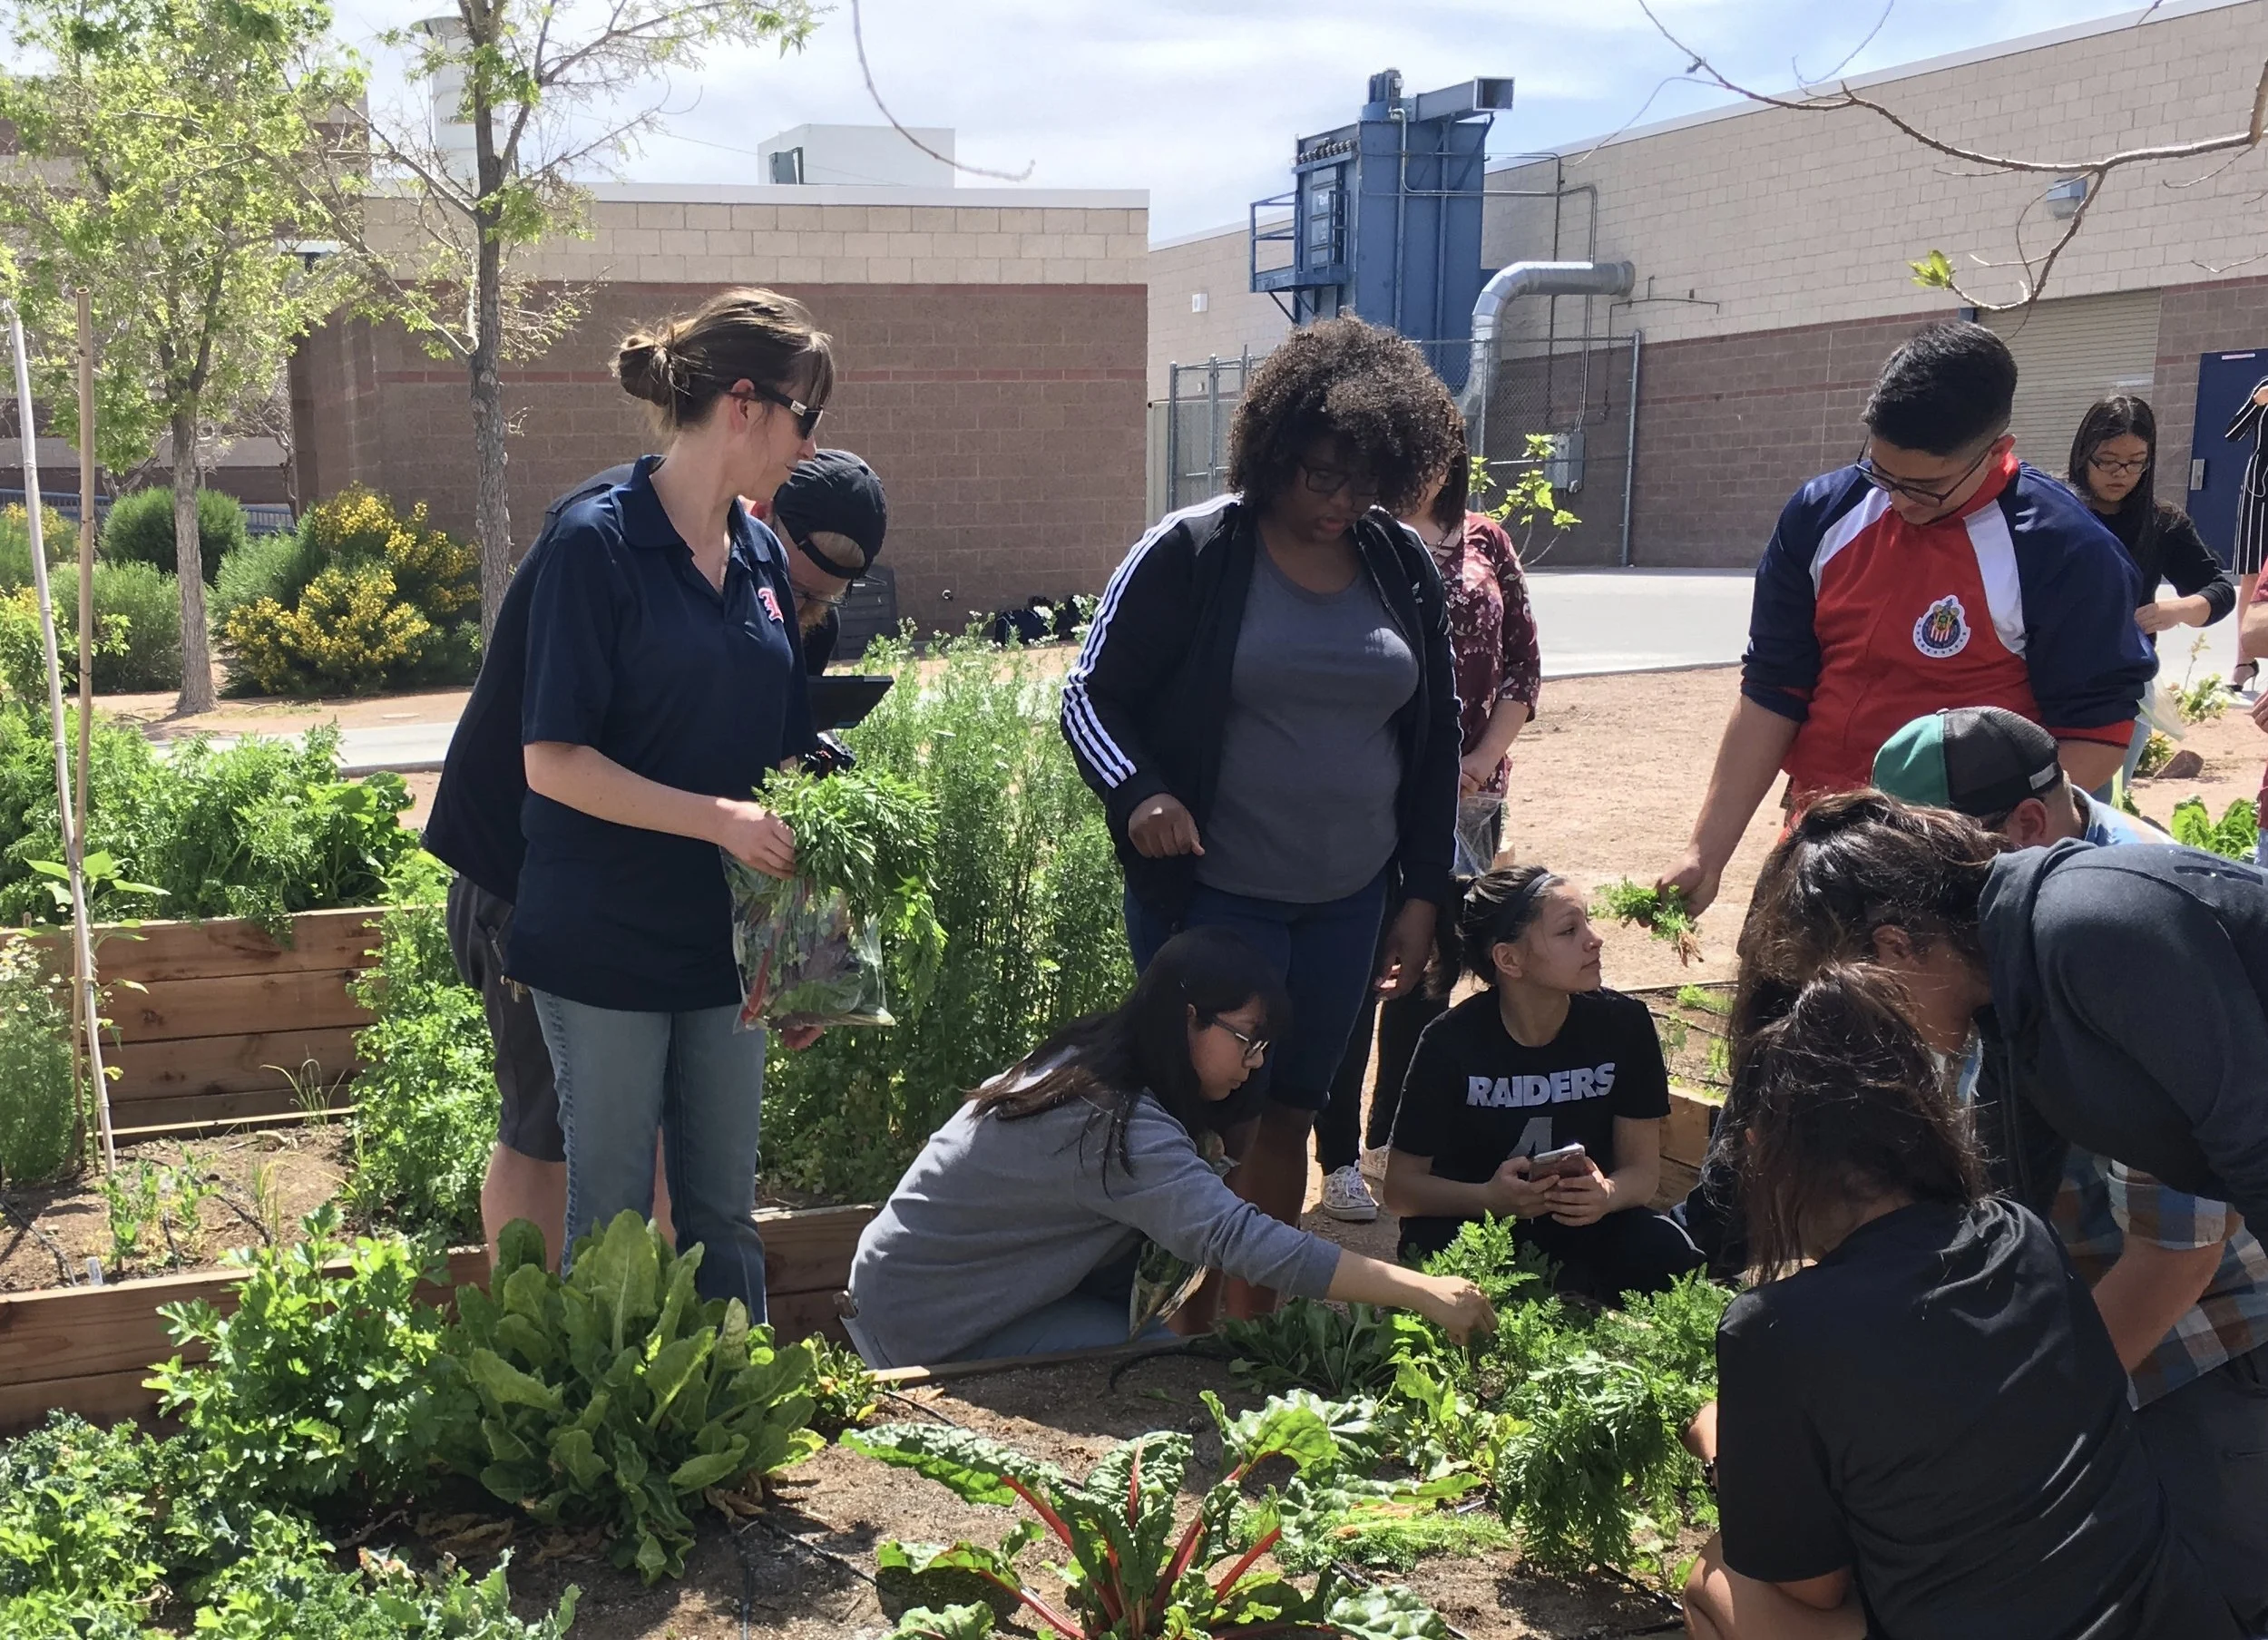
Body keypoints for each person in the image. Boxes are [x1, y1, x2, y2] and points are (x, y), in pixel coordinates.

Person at [1060, 316, 1465, 1317]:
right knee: (1208, 1117)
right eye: (1320, 475)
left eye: (1366, 480)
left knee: (1289, 1110)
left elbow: (1436, 736)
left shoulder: (1397, 565)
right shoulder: (1193, 552)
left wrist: (1421, 890)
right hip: (1214, 898)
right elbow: (1088, 697)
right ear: (1273, 451)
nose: (1340, 501)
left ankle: (1249, 1321)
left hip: (1345, 901)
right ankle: (1171, 1307)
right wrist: (1140, 790)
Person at [1679, 966, 2241, 1640]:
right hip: (2170, 1611)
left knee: (1716, 1579)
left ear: (1761, 1151)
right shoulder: (2019, 1233)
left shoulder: (1772, 1330)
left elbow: (1813, 1590)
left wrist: (1725, 1451)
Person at [1866, 705, 2268, 1626]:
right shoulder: (1983, 915)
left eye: (1926, 863)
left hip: (2205, 1338)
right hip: (2088, 1312)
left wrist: (2019, 1428)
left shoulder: (2113, 936)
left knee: (2196, 1606)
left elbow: (2178, 1256)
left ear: (2025, 827)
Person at [510, 287, 830, 1316]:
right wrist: (718, 821)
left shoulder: (763, 554)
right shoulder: (592, 541)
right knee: (607, 1219)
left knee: (723, 1212)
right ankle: (605, 1453)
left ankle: (735, 1438)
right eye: (804, 417)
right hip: (602, 936)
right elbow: (552, 761)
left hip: (724, 945)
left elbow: (783, 763)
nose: (810, 447)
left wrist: (813, 959)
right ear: (744, 404)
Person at [1657, 321, 2155, 914]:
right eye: (1882, 473)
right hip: (1820, 848)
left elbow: (2096, 738)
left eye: (1926, 486)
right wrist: (1706, 853)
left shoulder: (2065, 552)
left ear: (1998, 450)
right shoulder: (1823, 515)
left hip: (1963, 879)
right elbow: (1773, 689)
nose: (1897, 500)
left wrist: (1937, 850)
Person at [842, 927, 1497, 1369]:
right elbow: (1242, 1239)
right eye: (1248, 1039)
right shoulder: (1110, 1118)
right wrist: (1421, 1292)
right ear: (1190, 1017)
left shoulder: (1093, 1056)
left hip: (912, 1286)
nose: (1256, 1063)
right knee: (1167, 1364)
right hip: (921, 1324)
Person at [1315, 434, 1540, 1224]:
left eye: (1435, 450)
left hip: (1472, 801)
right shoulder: (1353, 541)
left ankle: (1390, 1147)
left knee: (1431, 975)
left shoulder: (1487, 540)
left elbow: (1522, 664)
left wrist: (1476, 761)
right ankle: (1337, 1156)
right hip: (1377, 797)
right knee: (1358, 975)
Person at [1380, 865, 1702, 1298]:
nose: (1594, 939)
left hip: (1587, 1225)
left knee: (1668, 1254)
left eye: (1587, 921)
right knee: (1434, 1250)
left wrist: (1605, 1194)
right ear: (1509, 959)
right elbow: (1401, 1190)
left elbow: (1642, 1173)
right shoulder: (1449, 1042)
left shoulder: (1624, 1025)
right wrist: (1489, 1200)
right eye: (1569, 931)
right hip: (1480, 1226)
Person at [2066, 395, 2234, 792]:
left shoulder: (2162, 523)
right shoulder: (2053, 508)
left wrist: (2179, 609)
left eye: (2136, 461)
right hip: (2049, 680)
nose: (2121, 473)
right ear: (2083, 453)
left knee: (2097, 807)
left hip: (2122, 690)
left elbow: (2220, 590)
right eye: (2107, 459)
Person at [767, 448, 887, 673]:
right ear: (764, 512)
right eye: (790, 584)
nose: (796, 608)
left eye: (820, 596)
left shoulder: (818, 630)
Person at [2224, 376, 2268, 694]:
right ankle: (2244, 660)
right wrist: (2257, 403)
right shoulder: (2265, 384)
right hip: (2260, 492)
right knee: (2251, 574)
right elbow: (2232, 432)